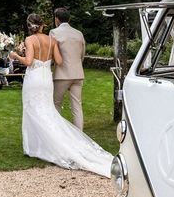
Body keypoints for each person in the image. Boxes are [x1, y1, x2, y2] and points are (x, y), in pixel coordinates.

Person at [8, 13, 111, 177]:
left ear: (29, 26)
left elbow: (28, 62)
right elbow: (60, 61)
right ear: (42, 25)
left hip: (34, 79)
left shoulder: (29, 40)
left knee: (32, 110)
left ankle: (34, 147)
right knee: (47, 110)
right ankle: (54, 142)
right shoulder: (52, 40)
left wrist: (15, 56)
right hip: (46, 78)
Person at [49, 7, 86, 130]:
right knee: (77, 106)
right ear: (68, 19)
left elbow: (52, 54)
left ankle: (57, 133)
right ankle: (79, 135)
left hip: (61, 74)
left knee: (56, 104)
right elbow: (82, 54)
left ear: (57, 19)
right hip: (78, 73)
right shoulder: (78, 33)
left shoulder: (53, 32)